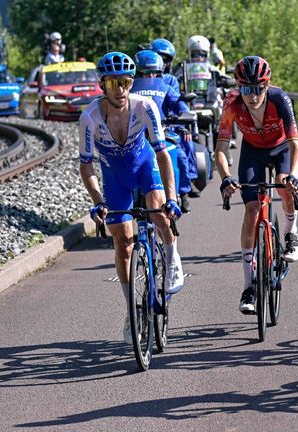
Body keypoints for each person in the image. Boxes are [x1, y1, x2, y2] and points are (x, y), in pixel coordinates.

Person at [78, 52, 184, 345]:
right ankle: (131, 311)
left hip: (144, 167)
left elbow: (162, 154)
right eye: (113, 84)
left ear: (131, 82)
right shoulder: (90, 117)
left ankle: (173, 259)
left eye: (125, 82)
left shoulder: (145, 106)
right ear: (103, 86)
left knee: (158, 211)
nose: (120, 90)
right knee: (122, 241)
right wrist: (98, 200)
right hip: (115, 177)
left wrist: (172, 198)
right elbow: (86, 165)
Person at [216, 56, 298, 313]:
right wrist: (225, 177)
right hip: (252, 151)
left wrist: (294, 175)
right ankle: (248, 286)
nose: (252, 96)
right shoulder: (232, 103)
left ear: (267, 86)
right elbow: (220, 148)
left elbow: (296, 145)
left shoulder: (279, 99)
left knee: (283, 186)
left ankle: (290, 233)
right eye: (246, 89)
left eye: (257, 89)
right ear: (238, 87)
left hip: (280, 149)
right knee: (252, 210)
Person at [132, 49, 196, 213]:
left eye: (155, 73)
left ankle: (181, 193)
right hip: (135, 135)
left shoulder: (167, 88)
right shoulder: (129, 90)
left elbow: (178, 104)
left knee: (180, 156)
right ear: (138, 73)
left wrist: (183, 112)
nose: (151, 77)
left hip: (163, 132)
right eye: (147, 73)